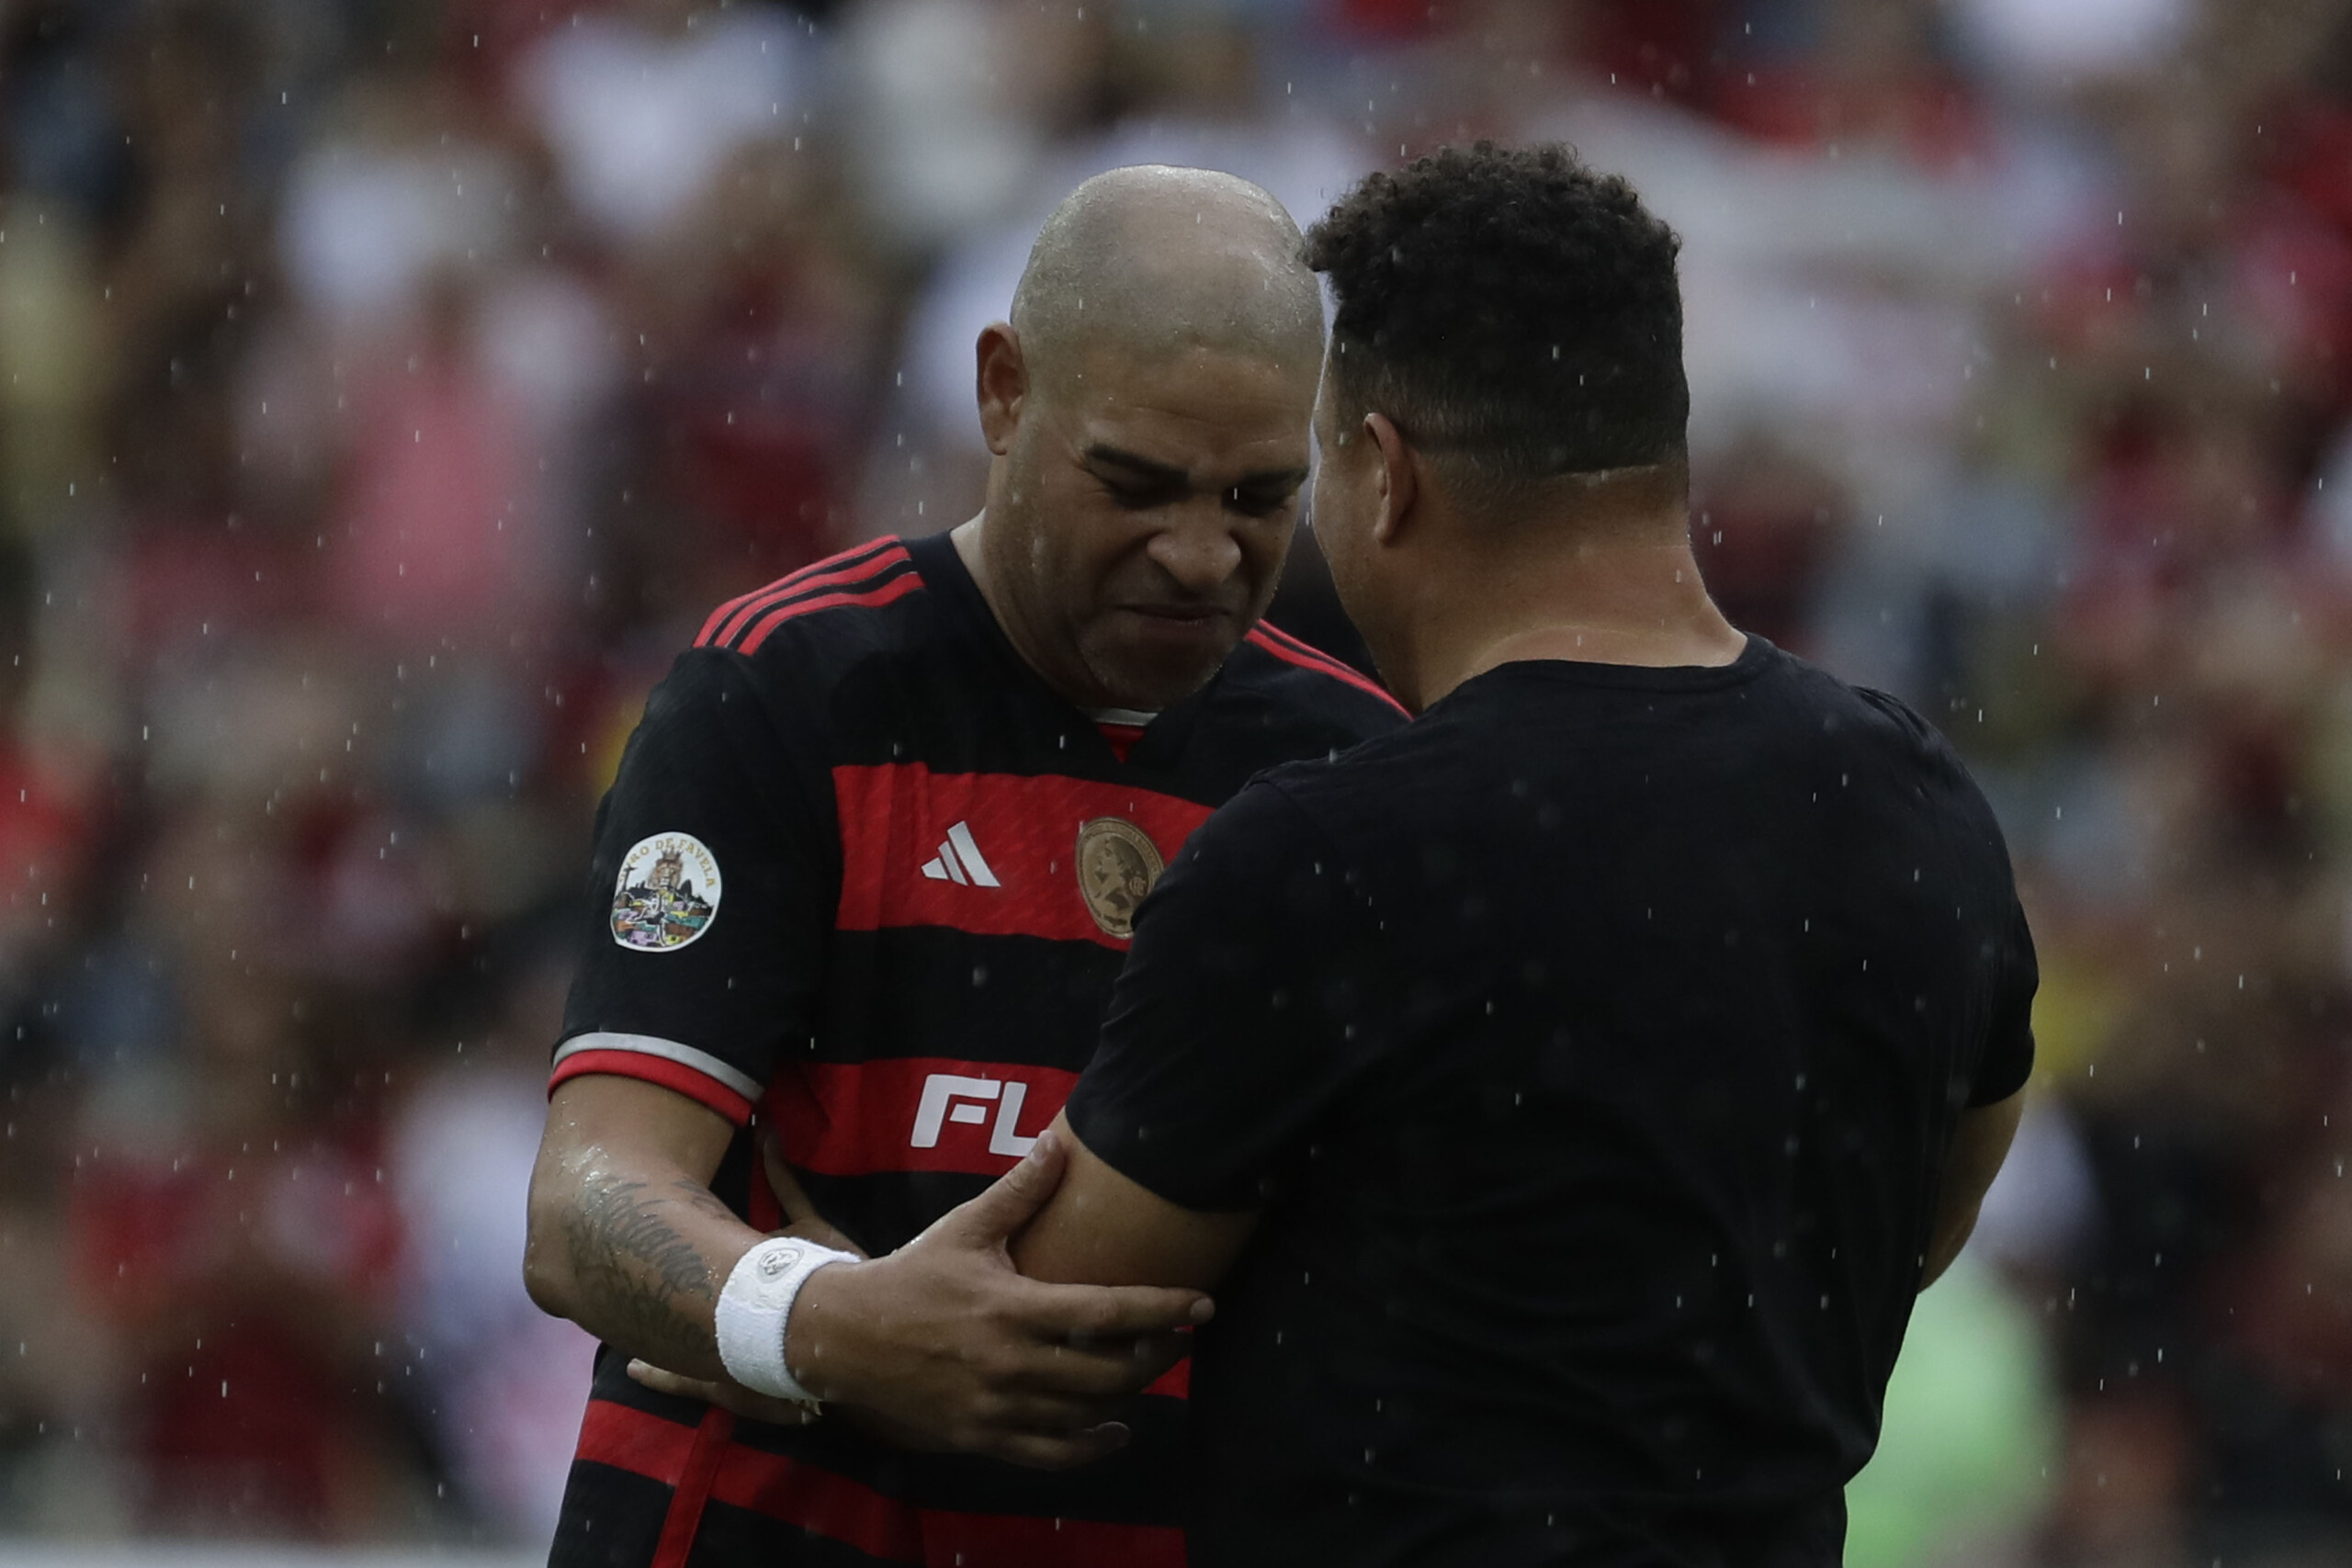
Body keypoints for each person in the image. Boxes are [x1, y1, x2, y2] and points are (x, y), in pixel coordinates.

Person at [1002, 141, 2037, 1567]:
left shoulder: (1328, 860)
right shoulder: (1925, 812)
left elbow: (1040, 1348)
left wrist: (783, 1309)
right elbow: (1925, 1221)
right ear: (1661, 450)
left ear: (1382, 476)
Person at [520, 164, 1405, 1568]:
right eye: (1136, 483)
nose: (1198, 553)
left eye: (1258, 495)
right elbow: (583, 1208)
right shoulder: (787, 690)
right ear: (1003, 393)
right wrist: (819, 1324)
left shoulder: (1361, 772)